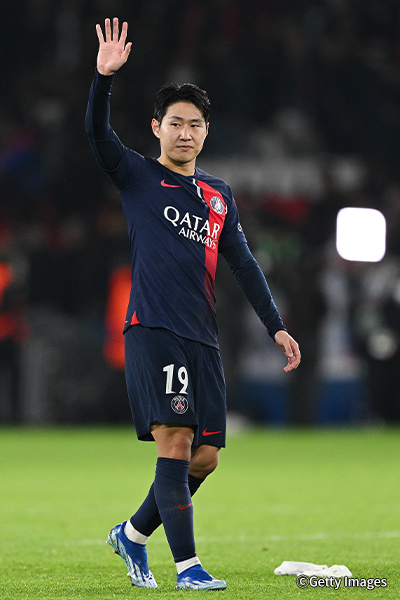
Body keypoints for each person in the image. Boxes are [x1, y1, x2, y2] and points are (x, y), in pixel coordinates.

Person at [86, 17, 300, 591]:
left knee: (205, 458)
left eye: (195, 124)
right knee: (176, 442)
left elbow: (244, 264)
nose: (185, 133)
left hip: (202, 336)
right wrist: (104, 79)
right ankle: (188, 568)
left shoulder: (218, 195)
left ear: (207, 132)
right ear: (157, 128)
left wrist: (276, 326)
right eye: (175, 123)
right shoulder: (137, 175)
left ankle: (132, 534)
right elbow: (97, 135)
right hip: (154, 327)